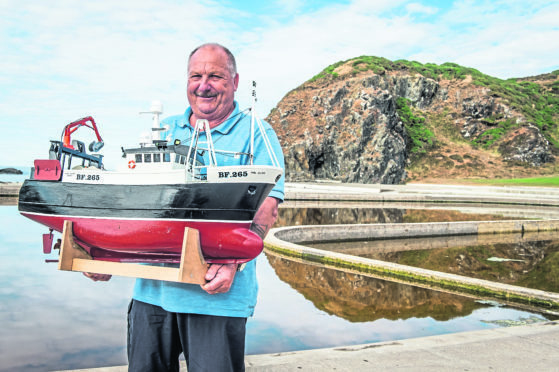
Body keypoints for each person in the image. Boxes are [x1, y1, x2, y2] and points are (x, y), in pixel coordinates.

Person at [85, 43, 285, 372]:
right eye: (196, 76)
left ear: (235, 82)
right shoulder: (163, 131)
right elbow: (134, 207)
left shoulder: (257, 134)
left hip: (217, 297)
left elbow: (268, 207)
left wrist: (233, 260)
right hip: (152, 294)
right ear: (186, 81)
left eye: (215, 76)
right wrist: (106, 253)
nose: (203, 85)